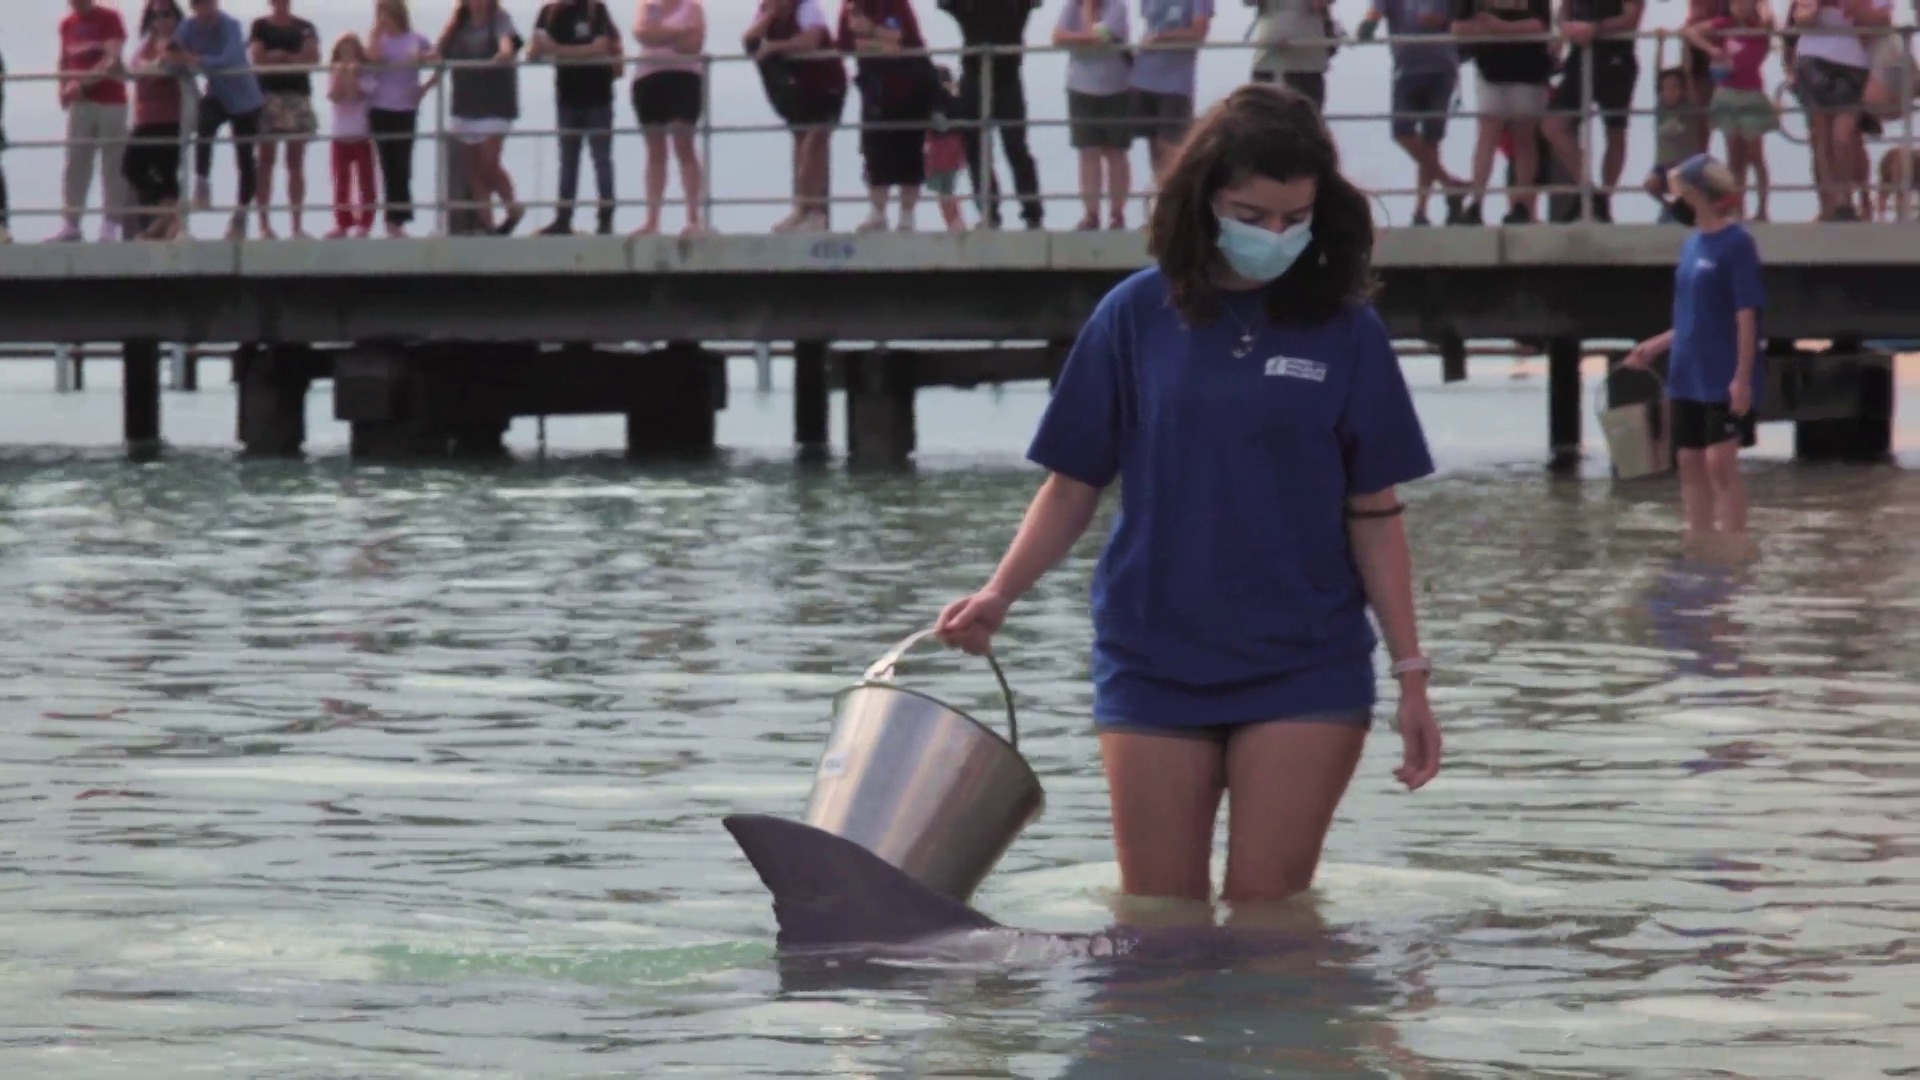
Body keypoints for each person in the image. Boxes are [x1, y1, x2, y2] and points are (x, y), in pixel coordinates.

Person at [934, 84, 1443, 908]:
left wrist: (1413, 674)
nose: (1274, 235)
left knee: (1267, 916)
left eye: (1294, 218)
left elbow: (1375, 512)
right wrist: (1000, 594)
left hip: (1306, 663)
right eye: (1252, 214)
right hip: (1151, 658)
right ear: (1204, 200)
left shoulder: (1348, 330)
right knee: (1159, 926)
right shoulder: (1132, 316)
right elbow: (1072, 485)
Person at [1624, 154, 1764, 542]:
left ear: (1698, 195)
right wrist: (1655, 344)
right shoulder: (1690, 246)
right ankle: (1699, 540)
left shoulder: (1737, 244)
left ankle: (1734, 542)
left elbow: (1746, 313)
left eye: (1680, 195)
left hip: (1723, 370)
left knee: (1720, 461)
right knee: (1688, 459)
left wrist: (1742, 377)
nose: (1675, 203)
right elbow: (1691, 315)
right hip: (1687, 369)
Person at [936, 0, 1045, 230]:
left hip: (1005, 78)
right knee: (977, 149)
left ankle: (1030, 213)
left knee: (1015, 147)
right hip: (977, 77)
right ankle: (990, 212)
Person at [1358, 0, 1467, 226]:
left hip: (1440, 67)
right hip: (1406, 68)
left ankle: (1420, 211)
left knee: (1431, 140)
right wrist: (1368, 25)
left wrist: (1438, 19)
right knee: (1402, 131)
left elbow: (1444, 17)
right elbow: (1375, 11)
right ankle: (1450, 185)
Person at [745, 0, 848, 232]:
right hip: (800, 89)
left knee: (815, 143)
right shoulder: (766, 12)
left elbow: (810, 41)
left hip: (826, 84)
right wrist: (768, 18)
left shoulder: (808, 8)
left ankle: (813, 211)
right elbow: (749, 41)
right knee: (801, 143)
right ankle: (803, 208)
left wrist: (774, 47)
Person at [1541, 0, 1644, 223]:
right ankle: (1589, 188)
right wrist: (1565, 26)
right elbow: (1564, 9)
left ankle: (1604, 197)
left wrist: (1595, 28)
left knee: (1615, 131)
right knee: (1553, 125)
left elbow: (1632, 17)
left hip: (1616, 56)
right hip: (1580, 55)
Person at [1451, 0, 1553, 225]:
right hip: (1490, 70)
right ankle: (1476, 204)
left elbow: (1540, 25)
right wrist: (1492, 29)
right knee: (1487, 135)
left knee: (1523, 138)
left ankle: (1522, 205)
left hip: (1529, 70)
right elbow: (1457, 27)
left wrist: (1498, 27)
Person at [839, 0, 936, 233]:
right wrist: (879, 42)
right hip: (875, 90)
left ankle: (907, 216)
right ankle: (878, 213)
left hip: (909, 87)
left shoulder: (896, 4)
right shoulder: (848, 7)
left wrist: (870, 31)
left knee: (910, 152)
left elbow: (901, 39)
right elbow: (845, 45)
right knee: (874, 152)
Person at [530, 0, 622, 236]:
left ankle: (605, 218)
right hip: (567, 98)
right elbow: (534, 52)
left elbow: (601, 46)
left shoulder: (595, 9)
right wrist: (571, 51)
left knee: (601, 159)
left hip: (598, 97)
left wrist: (557, 50)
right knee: (568, 161)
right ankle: (563, 219)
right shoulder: (549, 12)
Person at [176, 0, 267, 239]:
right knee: (204, 126)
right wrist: (174, 58)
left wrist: (197, 60)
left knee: (245, 158)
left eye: (207, 3)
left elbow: (231, 56)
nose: (203, 8)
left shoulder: (231, 25)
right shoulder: (188, 27)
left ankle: (240, 215)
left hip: (246, 100)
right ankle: (202, 183)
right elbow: (173, 51)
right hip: (218, 94)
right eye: (198, 4)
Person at [439, 0, 526, 235]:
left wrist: (504, 53)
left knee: (489, 163)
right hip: (466, 103)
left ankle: (513, 209)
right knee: (473, 169)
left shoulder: (499, 18)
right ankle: (486, 223)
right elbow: (440, 51)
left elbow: (507, 43)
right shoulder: (457, 23)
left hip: (494, 103)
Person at [1684, 0, 1776, 221]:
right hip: (1727, 93)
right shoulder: (1723, 23)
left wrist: (1760, 8)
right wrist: (1712, 49)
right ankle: (1738, 209)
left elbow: (1770, 20)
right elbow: (1690, 32)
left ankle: (1763, 209)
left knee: (1755, 154)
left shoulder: (1759, 26)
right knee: (1734, 156)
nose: (1742, 6)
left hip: (1752, 93)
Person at [631, 0, 709, 237]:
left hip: (684, 79)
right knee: (655, 151)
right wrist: (679, 33)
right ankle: (652, 220)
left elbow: (693, 45)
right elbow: (642, 34)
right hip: (648, 79)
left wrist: (661, 35)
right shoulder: (647, 5)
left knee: (683, 144)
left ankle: (694, 217)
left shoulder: (693, 7)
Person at [1053, 0, 1132, 230]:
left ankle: (1117, 214)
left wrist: (1087, 11)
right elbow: (1057, 37)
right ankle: (1091, 214)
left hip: (1116, 87)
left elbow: (1097, 36)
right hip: (1080, 87)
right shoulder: (1071, 7)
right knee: (1088, 153)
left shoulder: (1117, 7)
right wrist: (1082, 38)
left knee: (1115, 152)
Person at [57, 0, 132, 243]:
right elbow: (64, 59)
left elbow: (112, 59)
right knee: (76, 161)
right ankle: (71, 224)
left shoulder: (109, 18)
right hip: (80, 104)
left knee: (112, 164)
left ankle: (110, 225)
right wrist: (62, 87)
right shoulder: (67, 24)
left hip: (110, 101)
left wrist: (83, 84)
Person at [249, 0, 322, 238]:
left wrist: (282, 57)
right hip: (267, 97)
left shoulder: (305, 27)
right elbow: (257, 58)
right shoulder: (259, 26)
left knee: (296, 163)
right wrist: (292, 57)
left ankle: (297, 226)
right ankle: (263, 225)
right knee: (265, 161)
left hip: (298, 96)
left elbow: (312, 58)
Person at [368, 0, 438, 238]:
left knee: (402, 164)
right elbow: (373, 59)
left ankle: (399, 217)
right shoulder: (378, 39)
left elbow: (438, 61)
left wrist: (424, 88)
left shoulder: (416, 38)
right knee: (387, 165)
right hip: (380, 108)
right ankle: (392, 221)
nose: (385, 16)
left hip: (406, 109)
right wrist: (376, 34)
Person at [123, 1, 189, 241]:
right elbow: (135, 68)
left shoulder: (179, 42)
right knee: (131, 167)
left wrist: (149, 70)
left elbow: (168, 66)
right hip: (144, 118)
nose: (160, 20)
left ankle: (161, 223)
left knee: (167, 170)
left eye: (165, 14)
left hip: (169, 117)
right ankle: (170, 212)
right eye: (154, 16)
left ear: (176, 17)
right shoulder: (146, 46)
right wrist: (149, 69)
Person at [1131, 0, 1215, 180]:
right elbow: (1149, 26)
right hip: (1144, 78)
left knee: (1172, 148)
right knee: (1154, 150)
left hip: (1176, 83)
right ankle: (1160, 197)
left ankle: (1173, 199)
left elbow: (1198, 32)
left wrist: (1163, 36)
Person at [326, 32, 378, 238]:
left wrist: (353, 75)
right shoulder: (333, 73)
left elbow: (357, 94)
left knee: (366, 181)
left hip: (361, 134)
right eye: (343, 52)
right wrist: (340, 75)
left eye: (351, 51)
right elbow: (335, 97)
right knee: (341, 181)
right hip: (340, 135)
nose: (347, 56)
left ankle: (365, 223)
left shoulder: (366, 74)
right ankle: (342, 222)